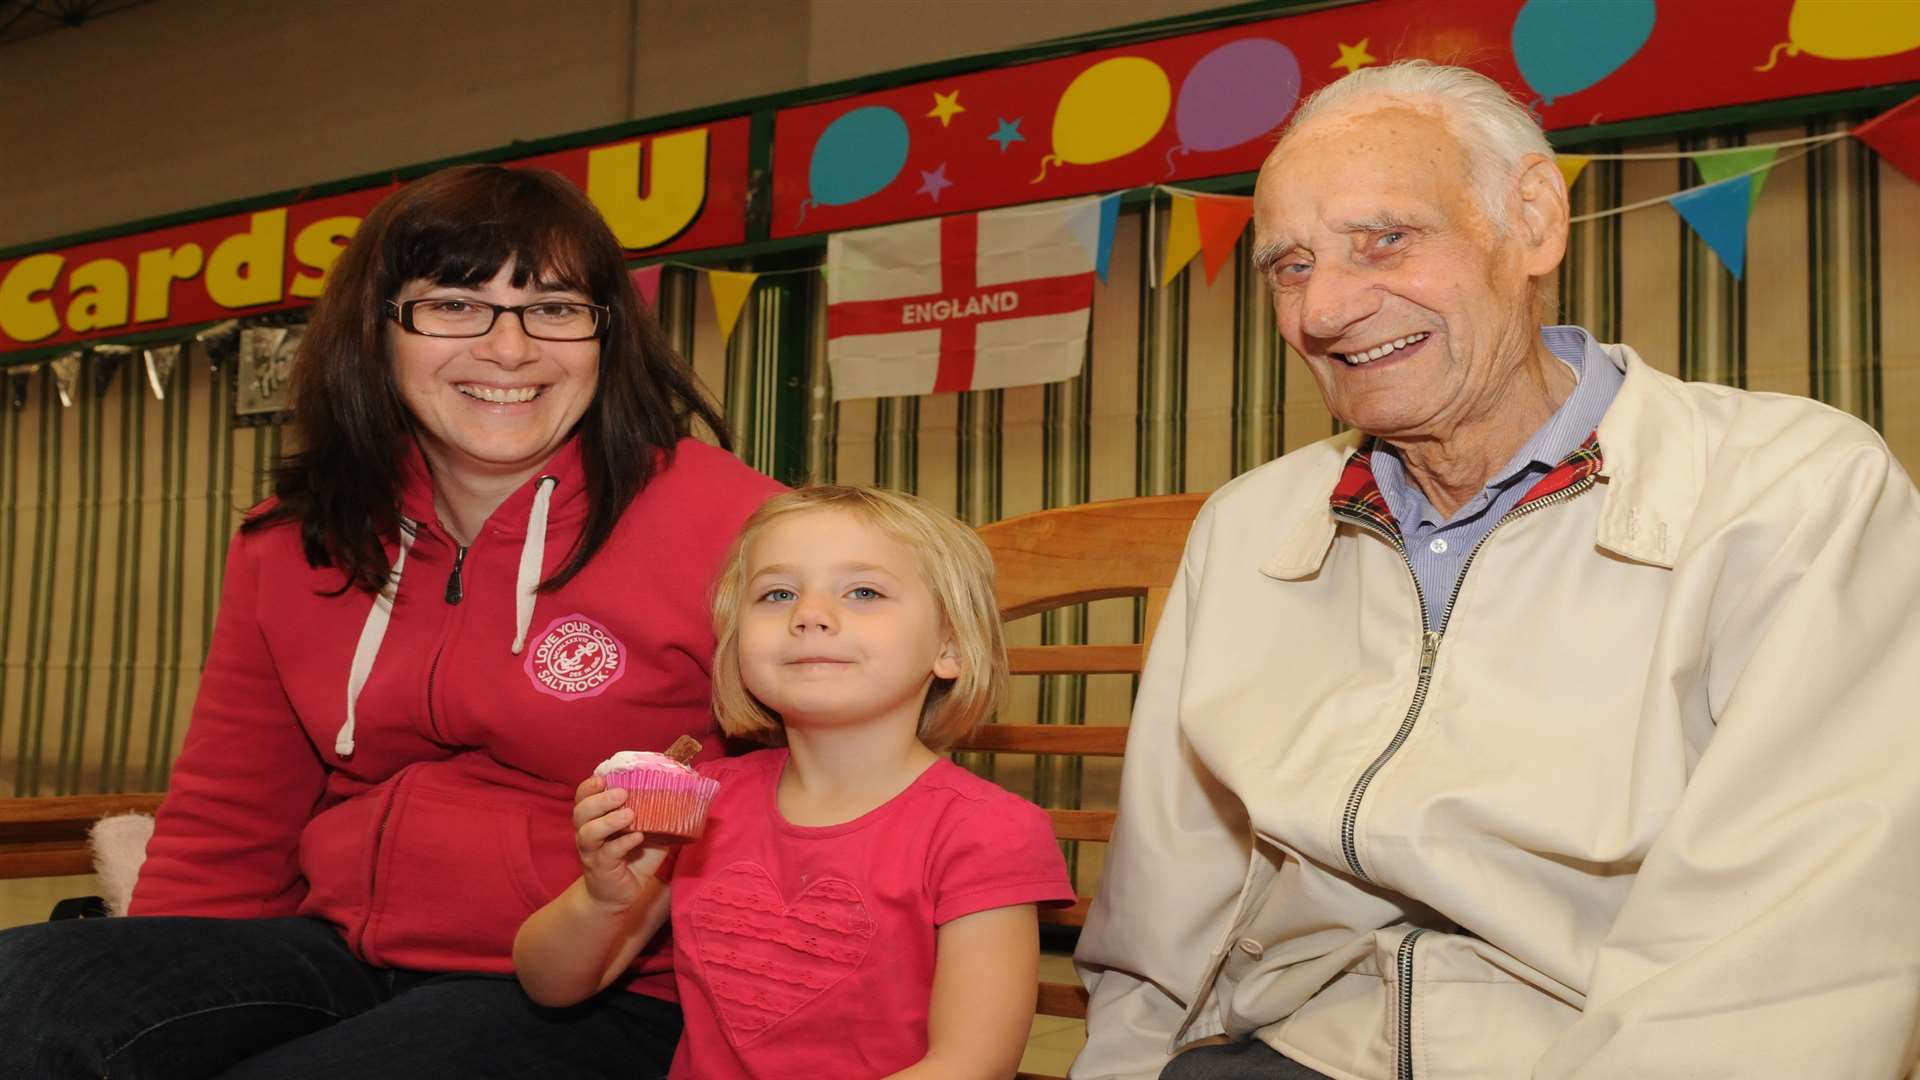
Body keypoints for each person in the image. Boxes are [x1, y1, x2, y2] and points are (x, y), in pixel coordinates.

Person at [1073, 60, 1920, 1080]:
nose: (1327, 308)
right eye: (1289, 268)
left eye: (1384, 239)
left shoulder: (1794, 492)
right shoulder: (1250, 524)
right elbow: (1168, 893)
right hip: (1294, 1046)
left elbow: (1788, 950)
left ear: (1531, 220)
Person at [0, 164, 782, 1078]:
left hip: (611, 984)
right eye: (454, 305)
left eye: (556, 308)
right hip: (340, 952)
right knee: (29, 993)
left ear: (607, 333)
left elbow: (815, 793)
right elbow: (234, 816)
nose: (510, 349)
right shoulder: (295, 540)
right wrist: (162, 979)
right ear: (375, 331)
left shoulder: (737, 526)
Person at [515, 484, 1076, 1079]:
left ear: (951, 646)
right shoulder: (700, 800)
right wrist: (603, 899)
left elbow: (972, 1065)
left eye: (864, 591)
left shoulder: (987, 831)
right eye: (777, 593)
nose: (809, 614)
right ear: (736, 645)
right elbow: (549, 986)